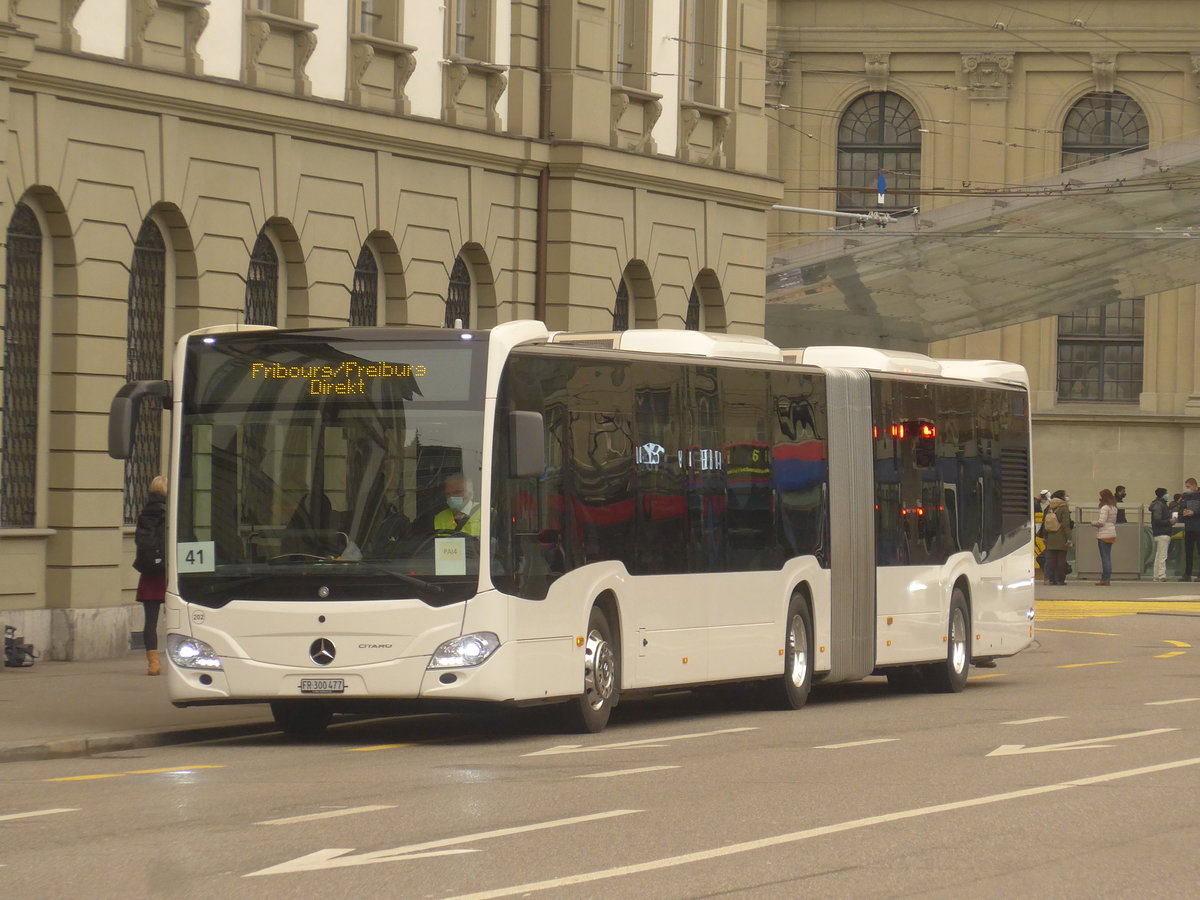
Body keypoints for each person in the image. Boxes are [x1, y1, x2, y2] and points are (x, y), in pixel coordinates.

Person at [133, 475, 168, 675]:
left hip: (150, 573)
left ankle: (153, 663)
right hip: (168, 572)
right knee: (177, 619)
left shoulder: (145, 514)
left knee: (150, 620)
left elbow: (141, 542)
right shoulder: (171, 513)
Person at [1041, 490, 1073, 586]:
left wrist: (1045, 536)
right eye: (1066, 495)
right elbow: (1066, 525)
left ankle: (1050, 579)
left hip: (1051, 536)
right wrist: (1069, 538)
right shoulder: (1064, 508)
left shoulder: (1049, 507)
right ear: (1062, 497)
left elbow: (1045, 523)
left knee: (1051, 559)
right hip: (1061, 536)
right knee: (1061, 559)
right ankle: (1060, 580)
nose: (1067, 496)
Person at [434, 472, 481, 536]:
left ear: (470, 493)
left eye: (457, 492)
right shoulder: (439, 518)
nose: (451, 497)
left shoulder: (486, 513)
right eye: (448, 494)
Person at [1091, 488, 1118, 585]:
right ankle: (1107, 579)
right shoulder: (1113, 507)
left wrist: (1093, 523)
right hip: (1111, 533)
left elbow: (1101, 522)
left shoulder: (1105, 507)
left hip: (1103, 534)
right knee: (1108, 557)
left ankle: (1105, 579)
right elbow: (1113, 521)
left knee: (1105, 558)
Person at [1178, 477, 1200, 582]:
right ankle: (1187, 574)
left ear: (1194, 485)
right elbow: (1181, 508)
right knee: (1188, 552)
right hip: (1189, 527)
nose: (1187, 489)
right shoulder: (1185, 497)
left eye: (1188, 487)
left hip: (1198, 527)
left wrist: (1194, 513)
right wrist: (1184, 512)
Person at [1148, 487, 1173, 582]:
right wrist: (1170, 522)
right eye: (1166, 493)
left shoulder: (1156, 504)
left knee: (1159, 555)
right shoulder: (1160, 505)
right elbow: (1158, 520)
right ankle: (1161, 575)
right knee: (1162, 555)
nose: (1167, 495)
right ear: (1162, 495)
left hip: (1158, 532)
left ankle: (1156, 575)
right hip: (1163, 532)